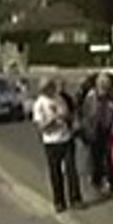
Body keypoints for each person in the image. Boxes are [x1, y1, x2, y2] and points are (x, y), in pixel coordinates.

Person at [32, 77, 83, 213]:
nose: (53, 89)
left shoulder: (59, 99)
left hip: (65, 138)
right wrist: (52, 121)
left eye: (52, 86)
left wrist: (67, 118)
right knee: (55, 172)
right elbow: (40, 126)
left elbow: (67, 115)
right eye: (50, 87)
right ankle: (59, 201)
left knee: (71, 170)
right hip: (51, 142)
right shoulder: (39, 104)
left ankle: (75, 199)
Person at [81, 73, 113, 195]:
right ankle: (97, 180)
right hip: (95, 130)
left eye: (106, 85)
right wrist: (87, 130)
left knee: (110, 156)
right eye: (102, 85)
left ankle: (112, 183)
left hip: (108, 129)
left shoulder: (112, 97)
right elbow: (86, 114)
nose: (104, 88)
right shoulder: (91, 97)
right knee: (96, 157)